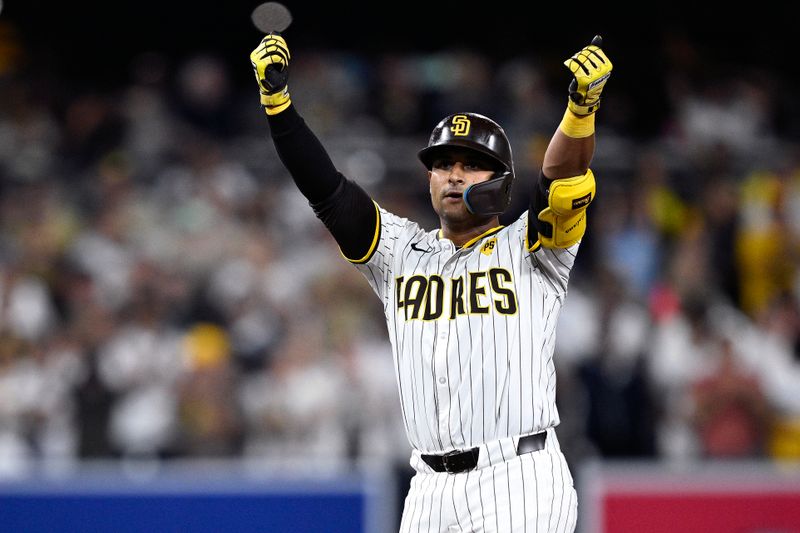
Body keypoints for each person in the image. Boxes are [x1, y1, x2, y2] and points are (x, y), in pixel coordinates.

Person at [250, 32, 612, 533]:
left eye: (470, 164)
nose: (453, 175)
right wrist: (279, 107)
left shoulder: (534, 246)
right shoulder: (400, 253)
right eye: (443, 164)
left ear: (502, 181)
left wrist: (579, 110)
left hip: (518, 478)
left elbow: (565, 179)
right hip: (428, 487)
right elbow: (326, 190)